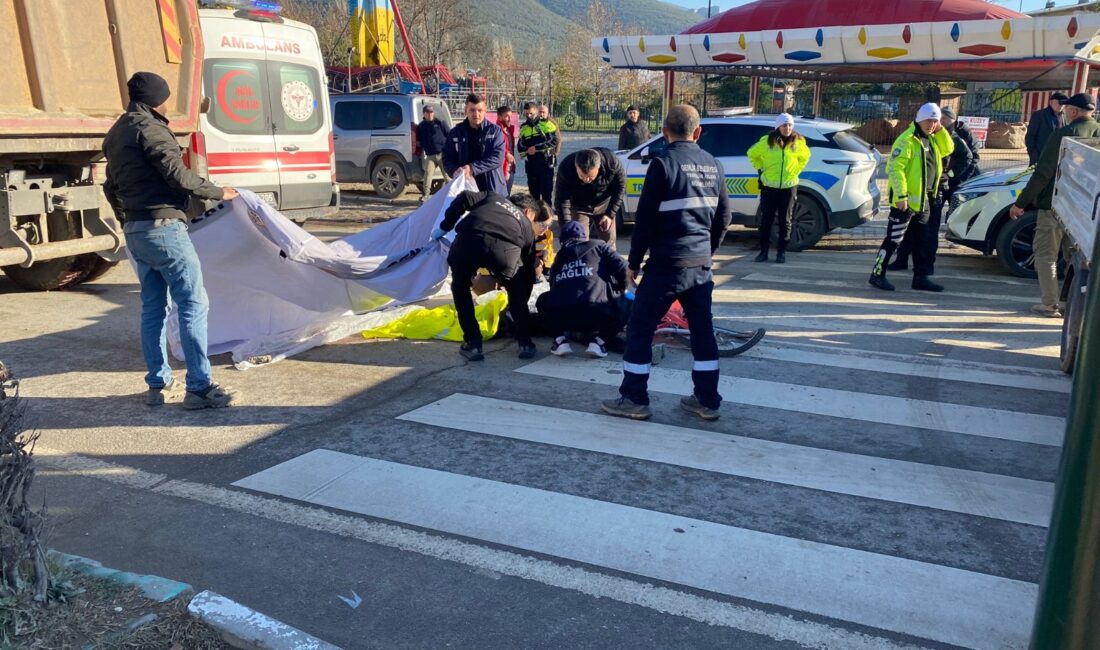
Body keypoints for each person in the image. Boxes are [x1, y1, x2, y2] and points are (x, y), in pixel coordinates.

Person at [102, 72, 240, 409]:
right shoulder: (152, 129)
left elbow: (110, 186)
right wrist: (219, 192)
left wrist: (126, 218)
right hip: (164, 228)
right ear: (156, 99)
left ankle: (158, 385)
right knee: (193, 304)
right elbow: (178, 176)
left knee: (153, 309)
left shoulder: (116, 132)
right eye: (165, 96)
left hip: (136, 230)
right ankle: (199, 388)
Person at [600, 104, 731, 422]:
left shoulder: (662, 164)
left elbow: (645, 221)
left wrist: (633, 263)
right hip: (699, 266)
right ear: (697, 132)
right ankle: (707, 400)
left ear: (665, 132)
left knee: (641, 329)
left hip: (666, 265)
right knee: (702, 332)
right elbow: (724, 217)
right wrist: (707, 251)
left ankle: (634, 398)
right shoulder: (714, 165)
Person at [431, 191, 553, 361]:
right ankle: (524, 343)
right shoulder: (525, 224)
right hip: (504, 251)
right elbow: (526, 270)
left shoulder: (492, 197)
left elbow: (464, 197)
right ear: (528, 212)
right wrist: (519, 302)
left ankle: (473, 344)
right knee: (516, 289)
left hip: (469, 238)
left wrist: (445, 226)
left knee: (460, 288)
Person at [1009, 93, 1100, 318]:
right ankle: (1075, 304)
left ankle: (1050, 305)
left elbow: (1043, 173)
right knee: (1078, 258)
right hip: (1088, 209)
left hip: (1055, 205)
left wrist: (1020, 203)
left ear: (1073, 111)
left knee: (1046, 255)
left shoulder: (1064, 134)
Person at [868, 103, 954, 293]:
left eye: (935, 121)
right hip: (906, 202)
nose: (931, 124)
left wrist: (940, 130)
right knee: (894, 239)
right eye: (928, 120)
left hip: (925, 201)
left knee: (922, 241)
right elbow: (895, 169)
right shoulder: (907, 139)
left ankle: (920, 278)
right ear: (919, 119)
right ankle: (877, 274)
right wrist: (901, 195)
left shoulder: (932, 139)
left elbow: (948, 149)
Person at [890, 108, 976, 273]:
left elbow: (968, 157)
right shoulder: (919, 136)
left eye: (939, 119)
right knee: (910, 229)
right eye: (933, 119)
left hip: (938, 189)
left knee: (929, 231)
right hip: (920, 191)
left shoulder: (952, 136)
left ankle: (926, 267)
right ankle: (902, 260)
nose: (935, 122)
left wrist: (949, 175)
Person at [537, 221, 629, 358]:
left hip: (565, 318)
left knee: (542, 301)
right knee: (629, 303)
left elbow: (554, 288)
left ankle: (560, 341)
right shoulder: (599, 246)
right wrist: (619, 288)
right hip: (598, 313)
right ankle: (599, 342)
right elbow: (624, 270)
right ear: (584, 236)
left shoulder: (559, 258)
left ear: (562, 241)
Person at [747, 113, 811, 264]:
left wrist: (796, 170)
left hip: (788, 188)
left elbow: (806, 156)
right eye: (784, 125)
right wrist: (760, 168)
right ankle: (763, 252)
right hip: (769, 187)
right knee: (766, 221)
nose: (787, 128)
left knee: (785, 221)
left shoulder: (798, 142)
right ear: (778, 127)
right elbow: (751, 154)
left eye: (789, 125)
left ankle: (781, 253)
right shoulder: (767, 142)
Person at [554, 148, 626, 250]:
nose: (587, 180)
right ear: (576, 166)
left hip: (603, 205)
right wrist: (567, 226)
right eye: (582, 177)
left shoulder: (612, 162)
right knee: (578, 242)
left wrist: (610, 214)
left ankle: (608, 264)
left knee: (609, 242)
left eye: (590, 177)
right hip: (578, 206)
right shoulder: (566, 167)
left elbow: (620, 187)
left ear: (599, 167)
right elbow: (561, 200)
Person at [443, 93, 506, 195]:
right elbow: (447, 157)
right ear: (465, 111)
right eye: (472, 110)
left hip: (492, 188)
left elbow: (497, 157)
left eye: (480, 110)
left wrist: (473, 168)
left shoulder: (494, 131)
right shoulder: (455, 133)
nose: (476, 114)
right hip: (466, 188)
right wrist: (454, 170)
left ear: (485, 111)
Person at [519, 102, 558, 203]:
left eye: (531, 113)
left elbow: (553, 141)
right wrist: (527, 151)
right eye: (526, 114)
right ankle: (535, 216)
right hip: (531, 165)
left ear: (536, 112)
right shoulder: (523, 127)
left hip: (545, 163)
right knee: (533, 195)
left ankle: (547, 215)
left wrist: (536, 148)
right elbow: (520, 145)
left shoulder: (547, 124)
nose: (529, 116)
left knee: (546, 194)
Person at [1025, 92, 1069, 166]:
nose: (1061, 105)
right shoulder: (1039, 115)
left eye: (1064, 103)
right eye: (1059, 102)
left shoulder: (1064, 117)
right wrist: (1034, 155)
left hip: (1057, 158)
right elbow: (1030, 136)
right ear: (1051, 102)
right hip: (1040, 157)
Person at [415, 105, 448, 201]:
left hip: (442, 154)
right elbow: (419, 140)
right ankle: (425, 195)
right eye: (428, 112)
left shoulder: (440, 123)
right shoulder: (421, 126)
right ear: (424, 114)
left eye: (431, 112)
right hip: (430, 155)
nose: (430, 114)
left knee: (447, 175)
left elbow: (449, 135)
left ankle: (453, 194)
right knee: (428, 175)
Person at [497, 105, 518, 193]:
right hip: (501, 168)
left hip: (510, 167)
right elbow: (496, 147)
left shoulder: (510, 130)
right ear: (499, 117)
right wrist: (506, 154)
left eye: (511, 116)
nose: (509, 119)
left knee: (507, 194)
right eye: (506, 116)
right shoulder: (496, 130)